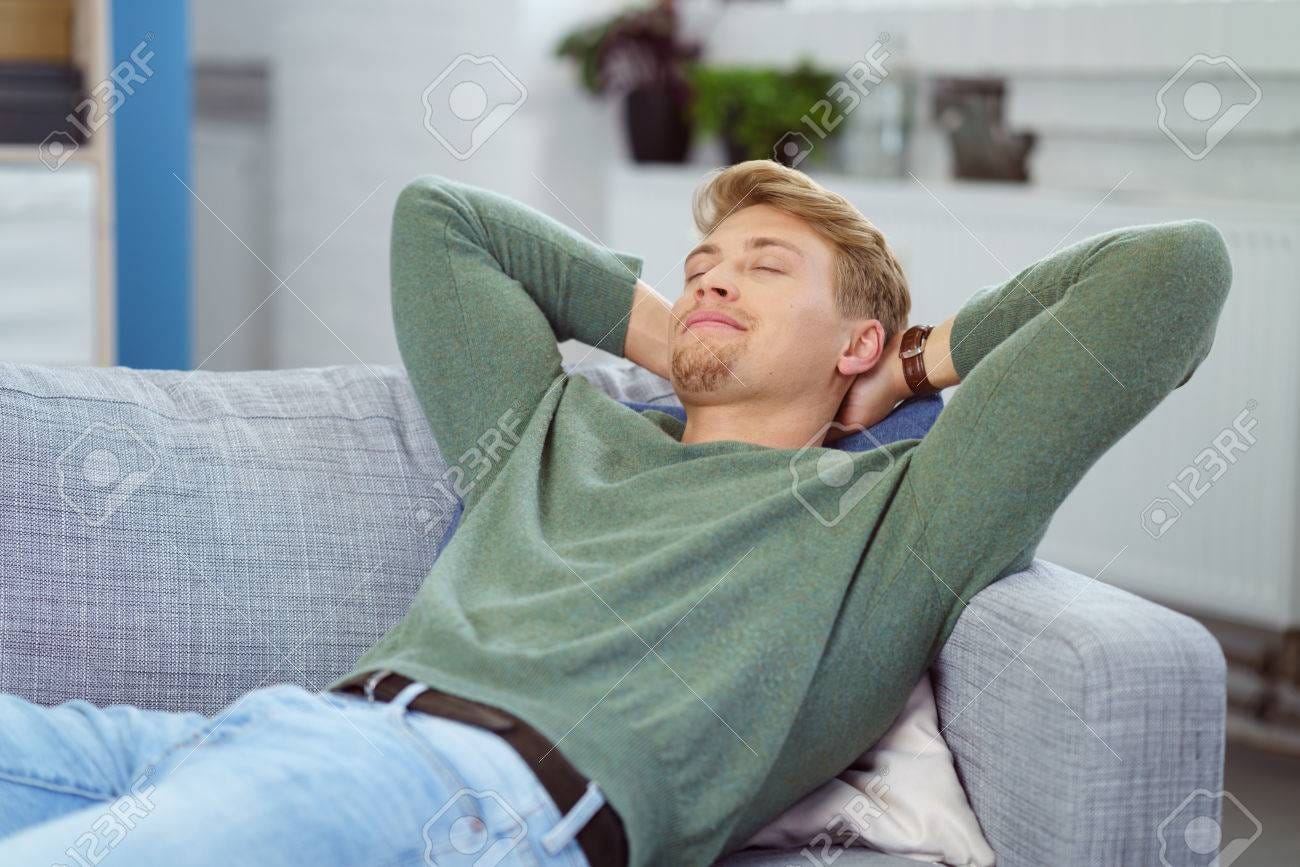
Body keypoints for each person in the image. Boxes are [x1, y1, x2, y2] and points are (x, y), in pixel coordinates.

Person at [0, 160, 1232, 867]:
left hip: (463, 797)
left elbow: (1174, 270)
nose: (711, 277)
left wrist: (901, 369)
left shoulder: (897, 516)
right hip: (249, 732)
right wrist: (699, 332)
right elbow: (441, 218)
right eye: (702, 265)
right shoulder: (553, 432)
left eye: (763, 266)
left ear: (856, 334)